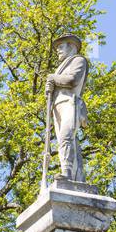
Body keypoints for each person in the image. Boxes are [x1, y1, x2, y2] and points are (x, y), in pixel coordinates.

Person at [45, 32, 88, 182]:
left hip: (71, 102)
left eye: (61, 46)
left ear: (71, 46)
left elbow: (71, 80)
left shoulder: (78, 60)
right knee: (67, 141)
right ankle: (77, 177)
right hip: (57, 107)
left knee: (66, 137)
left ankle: (68, 173)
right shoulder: (61, 67)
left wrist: (53, 78)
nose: (57, 50)